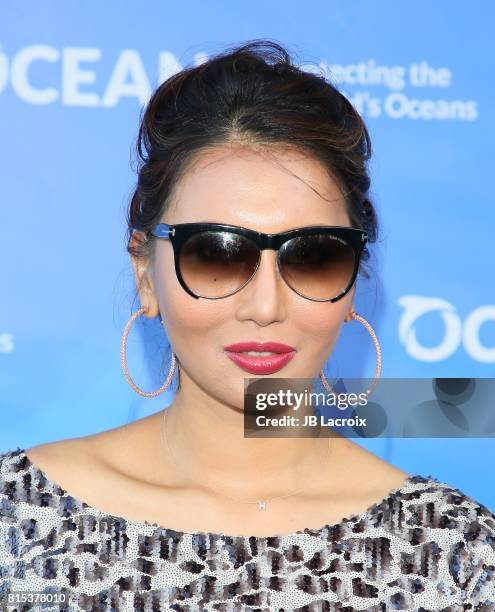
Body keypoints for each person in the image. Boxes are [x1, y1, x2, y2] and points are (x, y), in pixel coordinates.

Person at [1, 39, 494, 611]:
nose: (265, 306)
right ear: (145, 273)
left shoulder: (453, 557)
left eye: (312, 257)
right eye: (216, 253)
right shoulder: (18, 521)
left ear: (355, 278)